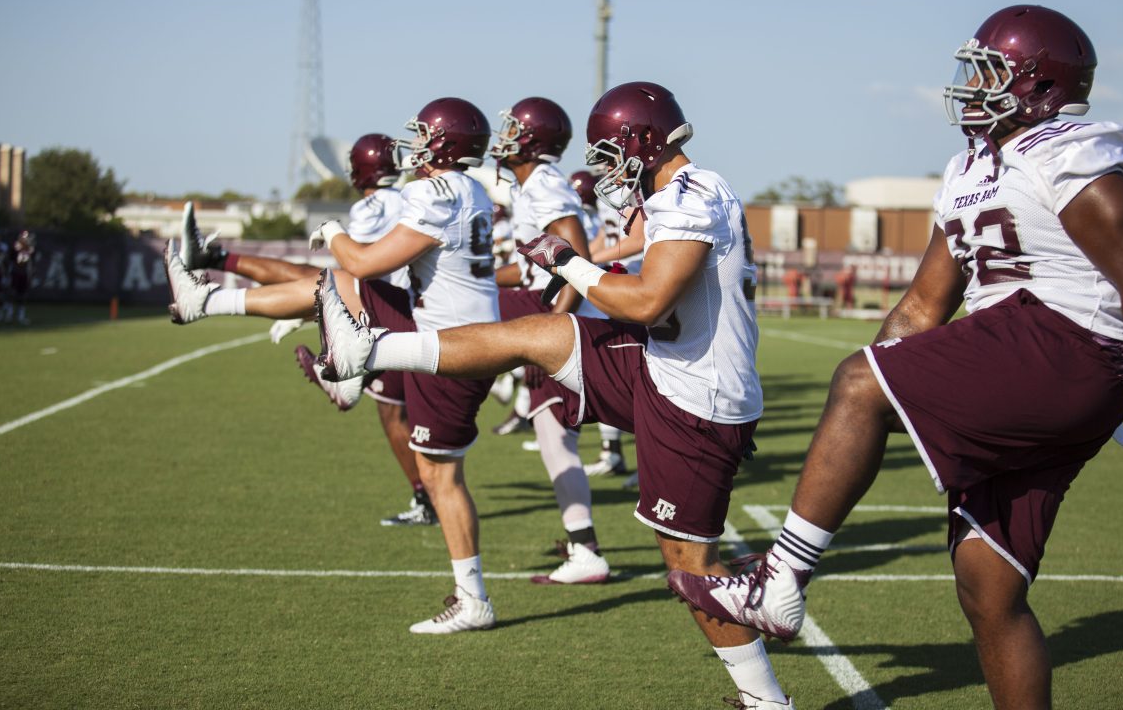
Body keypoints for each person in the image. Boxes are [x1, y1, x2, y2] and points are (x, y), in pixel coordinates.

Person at [666, 6, 1123, 710]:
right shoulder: (969, 169)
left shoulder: (1067, 150)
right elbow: (921, 307)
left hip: (1069, 346)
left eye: (988, 72)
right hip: (1027, 361)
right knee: (989, 588)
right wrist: (852, 415)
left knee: (859, 381)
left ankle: (781, 579)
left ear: (1036, 83)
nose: (970, 85)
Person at [314, 82, 793, 708]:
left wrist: (568, 261)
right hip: (664, 364)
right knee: (534, 335)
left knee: (686, 567)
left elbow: (648, 300)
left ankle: (765, 697)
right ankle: (367, 350)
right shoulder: (679, 193)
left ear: (640, 142)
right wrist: (576, 264)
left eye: (606, 153)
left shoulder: (692, 195)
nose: (600, 169)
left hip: (697, 399)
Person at [167, 97, 503, 633]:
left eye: (424, 135)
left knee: (441, 478)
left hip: (450, 348)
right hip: (451, 332)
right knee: (337, 287)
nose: (413, 144)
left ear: (442, 142)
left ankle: (474, 600)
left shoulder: (436, 192)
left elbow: (366, 259)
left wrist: (332, 231)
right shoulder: (471, 188)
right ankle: (216, 306)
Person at [179, 134, 436, 527]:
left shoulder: (370, 207)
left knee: (394, 416)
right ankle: (217, 258)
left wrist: (311, 311)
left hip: (390, 318)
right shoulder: (412, 197)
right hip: (417, 310)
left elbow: (361, 272)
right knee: (316, 279)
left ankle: (424, 497)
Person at [488, 96, 610, 585]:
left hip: (570, 321)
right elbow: (533, 263)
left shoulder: (542, 183)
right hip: (557, 313)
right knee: (551, 434)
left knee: (451, 321)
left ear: (533, 139)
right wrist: (481, 274)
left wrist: (551, 332)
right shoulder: (528, 187)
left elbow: (577, 260)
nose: (504, 136)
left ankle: (369, 364)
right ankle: (585, 550)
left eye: (514, 128)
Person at [571, 168, 638, 480]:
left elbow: (636, 241)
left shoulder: (638, 188)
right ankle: (613, 452)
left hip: (637, 286)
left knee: (639, 378)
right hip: (615, 283)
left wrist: (588, 263)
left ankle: (658, 456)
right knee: (615, 373)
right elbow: (607, 236)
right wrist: (576, 259)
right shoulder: (612, 189)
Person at [9, 230, 35, 325]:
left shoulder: (29, 249)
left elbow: (29, 259)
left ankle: (21, 315)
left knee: (22, 294)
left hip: (24, 274)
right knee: (12, 293)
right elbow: (16, 260)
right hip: (16, 273)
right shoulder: (16, 247)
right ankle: (9, 313)